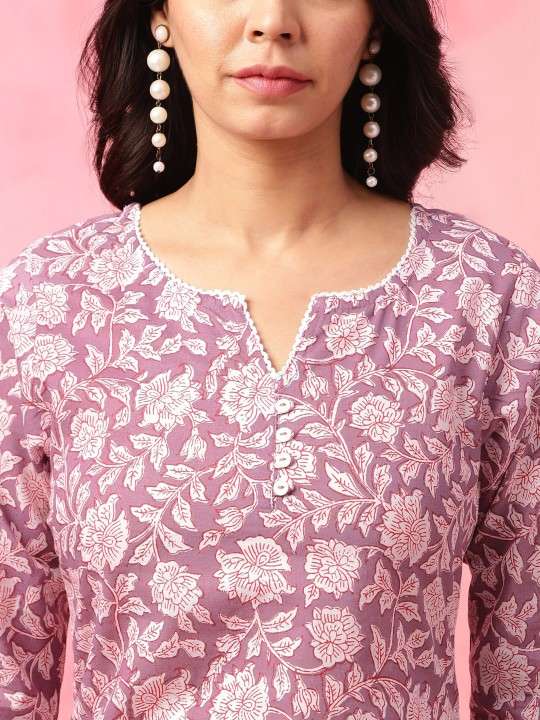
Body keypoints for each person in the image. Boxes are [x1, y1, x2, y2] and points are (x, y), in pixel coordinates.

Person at [1, 1, 539, 719]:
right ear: (161, 15)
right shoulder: (52, 301)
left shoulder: (486, 295)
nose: (273, 20)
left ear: (377, 24)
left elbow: (527, 664)